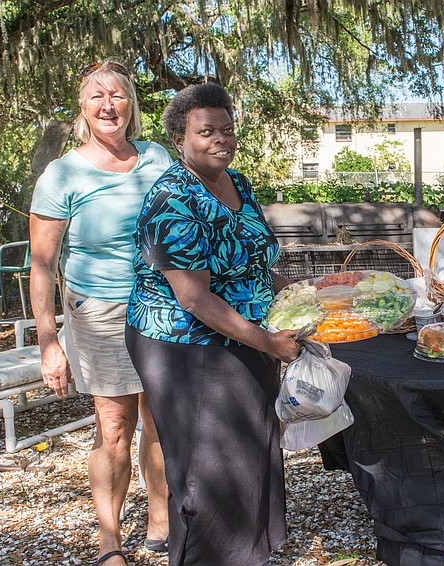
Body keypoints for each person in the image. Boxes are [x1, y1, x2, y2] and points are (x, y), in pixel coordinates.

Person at [124, 82, 301, 565]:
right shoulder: (173, 199)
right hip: (187, 347)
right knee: (210, 465)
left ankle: (247, 554)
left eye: (227, 129)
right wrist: (267, 341)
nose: (220, 139)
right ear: (180, 139)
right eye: (206, 131)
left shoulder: (236, 183)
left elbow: (253, 263)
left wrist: (305, 293)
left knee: (249, 449)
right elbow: (194, 297)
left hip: (241, 335)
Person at [29, 60, 171, 566]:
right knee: (114, 425)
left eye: (117, 96)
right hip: (101, 311)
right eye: (97, 97)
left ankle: (161, 523)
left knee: (160, 420)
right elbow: (42, 264)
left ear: (130, 105)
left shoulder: (156, 158)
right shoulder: (63, 173)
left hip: (164, 304)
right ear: (84, 108)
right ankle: (109, 540)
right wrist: (49, 342)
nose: (108, 105)